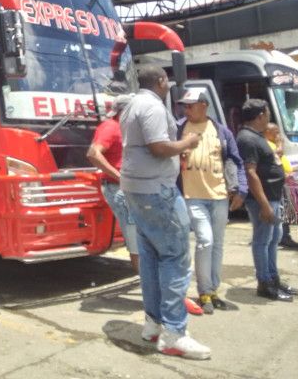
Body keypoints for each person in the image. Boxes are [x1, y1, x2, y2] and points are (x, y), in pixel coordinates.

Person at [119, 66, 210, 360]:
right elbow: (158, 147)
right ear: (160, 82)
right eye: (167, 82)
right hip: (157, 191)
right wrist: (187, 143)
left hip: (137, 189)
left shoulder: (131, 105)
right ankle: (173, 334)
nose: (168, 86)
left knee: (150, 257)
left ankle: (153, 324)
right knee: (174, 257)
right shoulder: (153, 107)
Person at [176, 87, 246, 314]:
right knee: (205, 241)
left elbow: (236, 161)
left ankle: (211, 291)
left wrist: (241, 190)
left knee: (217, 244)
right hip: (192, 196)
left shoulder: (221, 131)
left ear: (204, 106)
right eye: (184, 106)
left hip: (219, 197)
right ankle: (204, 290)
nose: (186, 110)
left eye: (190, 105)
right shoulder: (178, 129)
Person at [236, 99, 298, 302]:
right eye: (267, 114)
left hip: (272, 196)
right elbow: (251, 173)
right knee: (262, 241)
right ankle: (264, 283)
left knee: (273, 239)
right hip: (262, 200)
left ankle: (273, 278)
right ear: (260, 115)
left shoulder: (256, 136)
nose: (268, 118)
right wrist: (263, 204)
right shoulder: (247, 138)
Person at [88, 95, 138, 271]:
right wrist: (120, 176)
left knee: (140, 236)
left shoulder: (127, 128)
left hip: (130, 188)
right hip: (120, 189)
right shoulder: (110, 127)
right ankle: (148, 287)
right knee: (136, 239)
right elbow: (94, 153)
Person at [264, 123, 298, 249]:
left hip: (284, 181)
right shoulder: (267, 144)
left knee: (283, 211)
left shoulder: (273, 144)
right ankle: (282, 237)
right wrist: (280, 144)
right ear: (267, 132)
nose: (278, 135)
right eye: (276, 132)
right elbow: (276, 158)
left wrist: (293, 169)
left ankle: (282, 236)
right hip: (275, 185)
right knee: (280, 211)